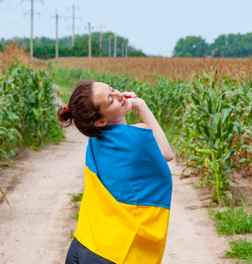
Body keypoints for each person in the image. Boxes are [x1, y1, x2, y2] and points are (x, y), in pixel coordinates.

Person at [57, 79, 174, 264]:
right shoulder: (138, 137)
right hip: (112, 253)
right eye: (110, 100)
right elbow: (167, 153)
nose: (119, 95)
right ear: (101, 120)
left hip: (82, 245)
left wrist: (118, 103)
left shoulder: (95, 139)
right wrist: (141, 106)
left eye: (112, 89)